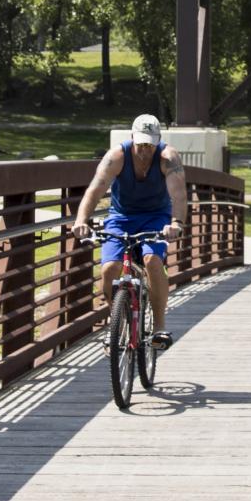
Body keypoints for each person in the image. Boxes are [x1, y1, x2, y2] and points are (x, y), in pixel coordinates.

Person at [73, 112, 181, 347]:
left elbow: (179, 194)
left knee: (152, 260)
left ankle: (160, 327)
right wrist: (81, 220)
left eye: (150, 145)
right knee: (110, 268)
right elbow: (95, 189)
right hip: (121, 218)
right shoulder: (117, 156)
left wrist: (176, 224)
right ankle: (116, 322)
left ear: (158, 141)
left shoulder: (167, 158)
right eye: (140, 144)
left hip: (156, 217)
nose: (144, 150)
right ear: (132, 137)